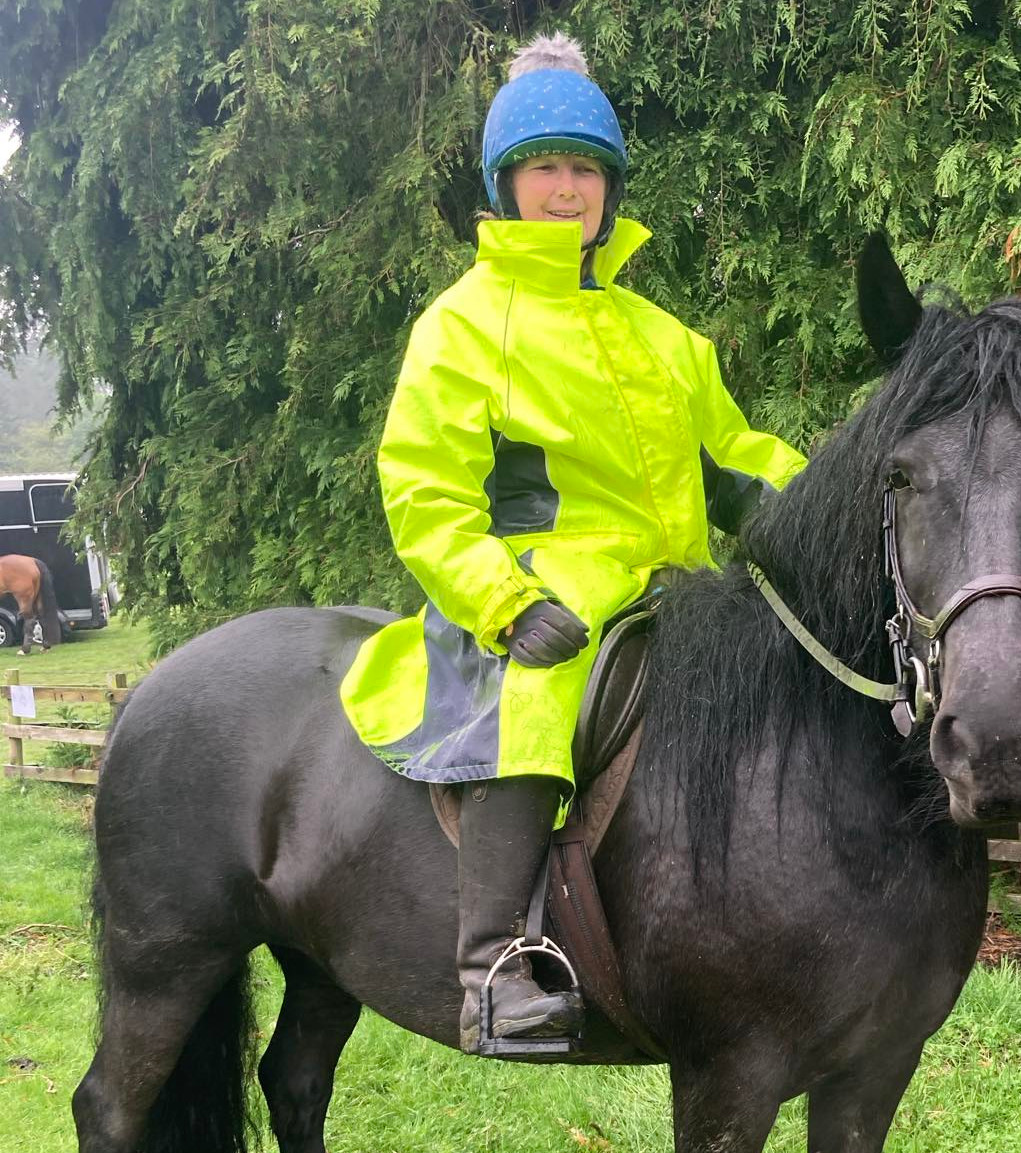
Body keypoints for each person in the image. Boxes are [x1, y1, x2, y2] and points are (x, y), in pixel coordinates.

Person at [340, 33, 805, 1043]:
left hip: (677, 583)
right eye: (544, 167)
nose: (565, 190)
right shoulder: (463, 326)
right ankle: (495, 969)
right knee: (547, 695)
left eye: (584, 167)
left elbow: (736, 457)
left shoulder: (664, 338)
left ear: (610, 184)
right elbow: (424, 489)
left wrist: (837, 499)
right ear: (505, 184)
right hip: (545, 590)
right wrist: (504, 602)